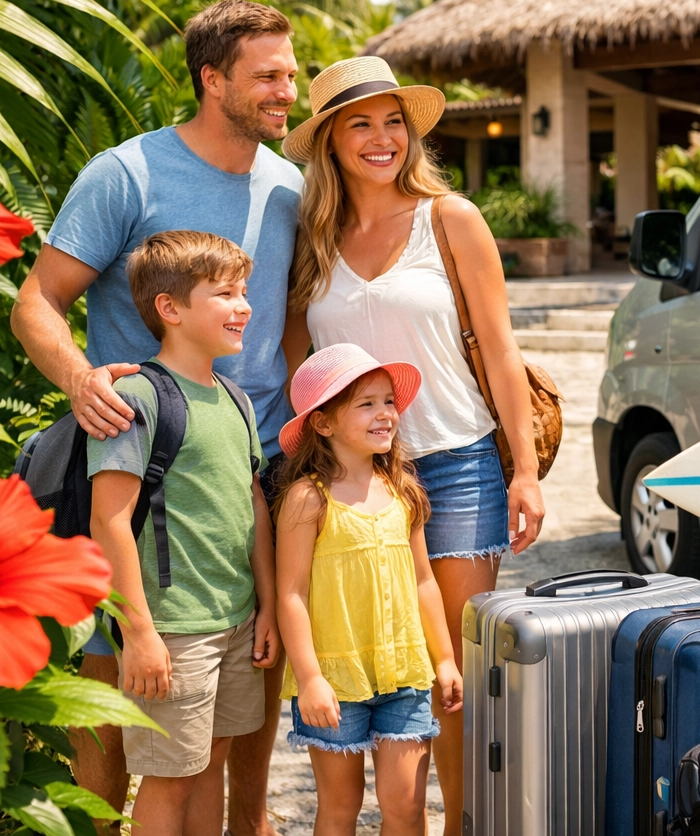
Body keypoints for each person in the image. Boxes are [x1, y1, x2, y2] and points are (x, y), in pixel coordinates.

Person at [11, 0, 302, 835]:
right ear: (213, 79)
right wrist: (80, 380)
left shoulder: (290, 185)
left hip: (256, 457)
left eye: (292, 74)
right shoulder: (126, 174)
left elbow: (290, 316)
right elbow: (37, 301)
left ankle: (247, 823)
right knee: (118, 680)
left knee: (249, 662)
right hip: (143, 464)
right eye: (268, 76)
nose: (288, 91)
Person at [279, 55, 546, 836]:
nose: (382, 137)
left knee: (448, 672)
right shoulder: (311, 240)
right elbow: (298, 367)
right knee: (366, 654)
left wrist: (525, 469)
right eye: (360, 123)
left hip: (456, 465)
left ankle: (458, 825)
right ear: (330, 140)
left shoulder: (450, 219)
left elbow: (500, 349)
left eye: (394, 121)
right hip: (349, 479)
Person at [88, 231, 280, 836]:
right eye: (225, 294)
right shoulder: (138, 398)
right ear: (169, 308)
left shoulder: (236, 399)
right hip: (174, 630)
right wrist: (139, 632)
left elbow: (253, 504)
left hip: (236, 619)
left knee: (211, 760)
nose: (243, 306)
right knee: (169, 778)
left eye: (244, 292)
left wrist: (268, 607)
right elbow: (108, 520)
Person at [274, 343, 464, 836]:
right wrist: (309, 679)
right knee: (341, 806)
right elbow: (290, 595)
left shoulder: (403, 490)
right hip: (334, 679)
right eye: (366, 404)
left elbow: (423, 580)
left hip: (405, 672)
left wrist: (444, 659)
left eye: (388, 401)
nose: (385, 414)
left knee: (407, 806)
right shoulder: (307, 499)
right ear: (323, 423)